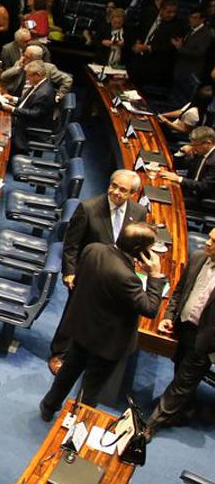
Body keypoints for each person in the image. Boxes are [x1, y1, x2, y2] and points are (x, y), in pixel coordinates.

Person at [39, 223, 166, 421]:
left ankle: (48, 406)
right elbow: (150, 309)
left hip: (81, 327)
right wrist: (155, 276)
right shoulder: (127, 278)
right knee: (91, 388)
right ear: (137, 250)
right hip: (106, 341)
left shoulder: (93, 249)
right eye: (149, 248)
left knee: (68, 372)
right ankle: (77, 424)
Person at [48, 170, 147, 375]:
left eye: (123, 190)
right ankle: (60, 352)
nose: (116, 192)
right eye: (114, 186)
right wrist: (69, 272)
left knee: (102, 314)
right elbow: (71, 244)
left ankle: (87, 351)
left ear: (133, 194)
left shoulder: (138, 212)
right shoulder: (89, 208)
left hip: (117, 274)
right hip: (88, 272)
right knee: (73, 313)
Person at [146, 228, 215, 436]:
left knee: (181, 383)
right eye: (209, 237)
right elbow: (179, 290)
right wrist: (168, 316)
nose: (208, 242)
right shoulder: (198, 258)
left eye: (213, 241)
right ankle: (187, 410)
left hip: (206, 339)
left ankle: (150, 425)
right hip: (183, 327)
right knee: (180, 370)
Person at [130, 0, 183, 93]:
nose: (172, 15)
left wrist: (147, 47)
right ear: (161, 9)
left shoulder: (177, 25)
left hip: (155, 66)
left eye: (174, 12)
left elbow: (169, 48)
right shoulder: (149, 15)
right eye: (169, 12)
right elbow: (139, 30)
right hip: (138, 59)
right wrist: (137, 42)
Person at [3, 61, 56, 154]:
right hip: (23, 118)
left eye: (29, 76)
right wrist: (13, 99)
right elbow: (27, 102)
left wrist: (12, 109)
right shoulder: (39, 85)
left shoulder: (44, 93)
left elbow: (34, 114)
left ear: (37, 75)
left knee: (1, 132)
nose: (27, 78)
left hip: (29, 126)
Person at [160, 126, 215, 205]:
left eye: (196, 145)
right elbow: (178, 166)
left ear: (208, 143)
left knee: (164, 200)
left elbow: (204, 186)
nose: (193, 147)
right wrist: (181, 152)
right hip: (187, 188)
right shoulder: (200, 152)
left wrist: (179, 179)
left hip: (200, 199)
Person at [172, 10, 214, 105]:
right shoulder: (189, 29)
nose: (191, 20)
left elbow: (199, 53)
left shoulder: (206, 34)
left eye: (195, 18)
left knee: (182, 101)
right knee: (174, 97)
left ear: (202, 19)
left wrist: (180, 48)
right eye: (191, 17)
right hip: (180, 69)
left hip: (191, 73)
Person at [0, 45, 72, 99]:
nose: (23, 58)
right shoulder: (20, 63)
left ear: (34, 59)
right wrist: (18, 68)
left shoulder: (49, 68)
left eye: (26, 56)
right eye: (23, 54)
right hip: (16, 98)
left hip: (35, 103)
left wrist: (59, 95)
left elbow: (68, 79)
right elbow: (3, 76)